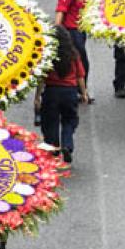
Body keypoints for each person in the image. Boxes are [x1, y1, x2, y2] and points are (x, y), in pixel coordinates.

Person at [40, 25, 88, 164]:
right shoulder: (73, 55)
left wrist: (38, 97)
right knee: (69, 120)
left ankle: (53, 148)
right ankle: (67, 145)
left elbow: (42, 77)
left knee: (50, 121)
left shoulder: (48, 55)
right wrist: (84, 93)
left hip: (51, 91)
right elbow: (80, 75)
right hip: (70, 92)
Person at [55, 0, 92, 87]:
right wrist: (57, 32)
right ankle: (79, 89)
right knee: (81, 61)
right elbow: (60, 11)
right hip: (72, 31)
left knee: (80, 61)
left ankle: (81, 89)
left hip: (80, 31)